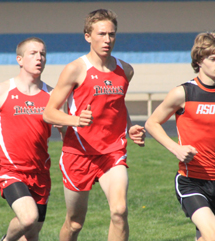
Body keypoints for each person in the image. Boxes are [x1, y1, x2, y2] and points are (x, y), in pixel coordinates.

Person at [145, 30, 215, 241]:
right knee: (214, 235)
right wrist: (176, 149)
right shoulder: (183, 93)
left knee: (208, 238)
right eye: (213, 58)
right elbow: (152, 123)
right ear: (199, 60)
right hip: (190, 181)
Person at [43, 9, 145, 241]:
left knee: (119, 212)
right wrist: (75, 120)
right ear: (88, 36)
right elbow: (49, 113)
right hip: (78, 153)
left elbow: (117, 105)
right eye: (101, 34)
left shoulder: (125, 70)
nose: (107, 40)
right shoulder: (75, 69)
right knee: (75, 223)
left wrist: (129, 128)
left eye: (112, 34)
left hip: (112, 152)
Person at [0, 37, 61, 241]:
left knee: (32, 234)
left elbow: (66, 131)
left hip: (40, 172)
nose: (39, 58)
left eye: (42, 54)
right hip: (9, 169)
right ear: (19, 59)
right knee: (28, 219)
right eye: (33, 53)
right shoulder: (2, 90)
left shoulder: (52, 96)